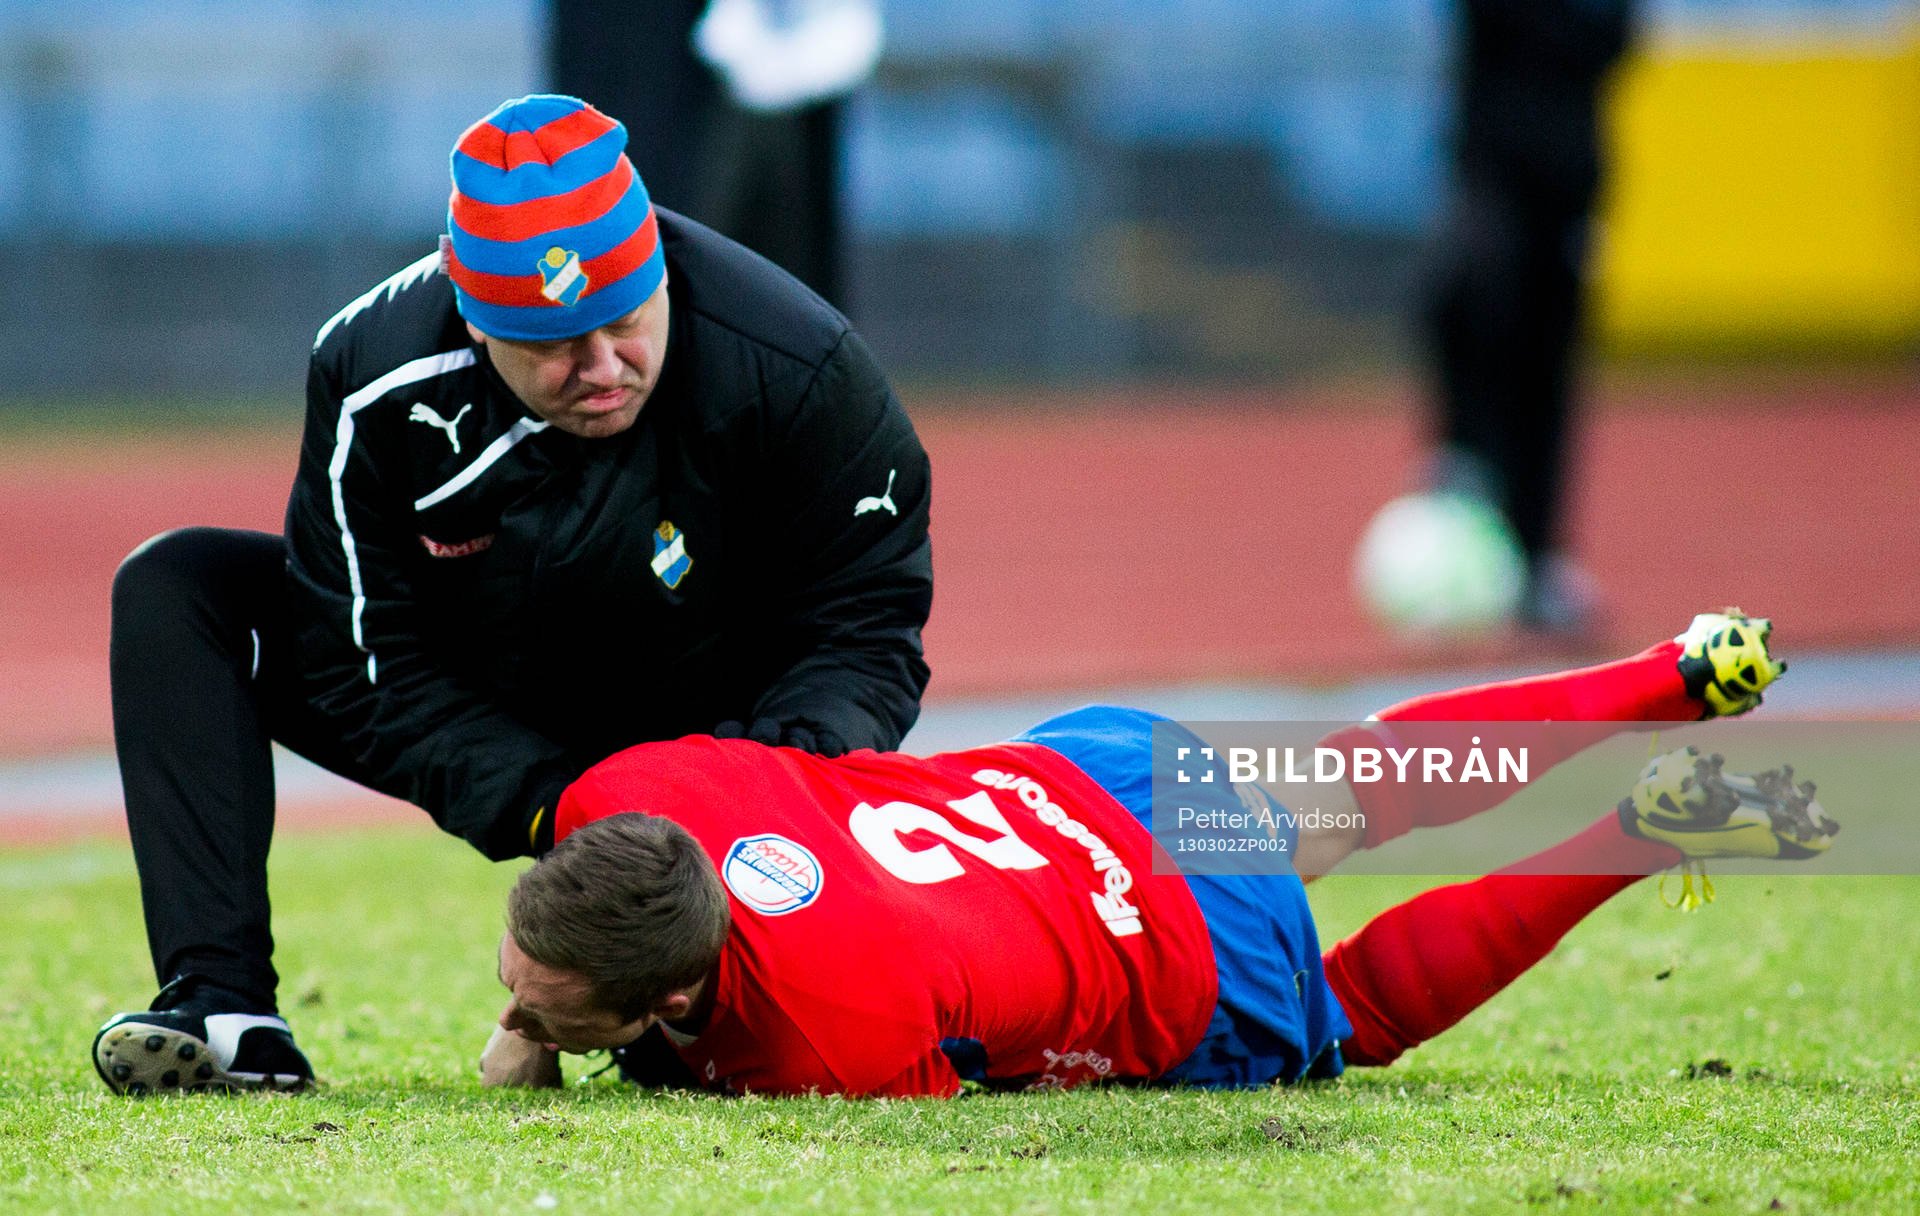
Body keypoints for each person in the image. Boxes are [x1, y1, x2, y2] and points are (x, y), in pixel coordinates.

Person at [91, 94, 933, 1096]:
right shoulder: (373, 375)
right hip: (486, 688)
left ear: (658, 265)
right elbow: (360, 660)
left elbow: (866, 633)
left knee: (703, 1052)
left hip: (712, 733)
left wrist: (701, 834)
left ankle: (676, 998)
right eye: (553, 343)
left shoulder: (800, 366)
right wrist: (559, 812)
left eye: (624, 320)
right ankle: (225, 1012)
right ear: (473, 317)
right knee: (177, 588)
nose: (602, 366)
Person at [458, 612, 1819, 1097]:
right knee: (1364, 788)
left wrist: (580, 1056)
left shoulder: (812, 1043)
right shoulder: (635, 785)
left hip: (1179, 945)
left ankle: (1648, 830)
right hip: (1088, 781)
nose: (517, 1001)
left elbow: (915, 1065)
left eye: (533, 992)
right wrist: (566, 1011)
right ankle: (1669, 673)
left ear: (673, 1002)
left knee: (1356, 1014)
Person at [1423, 0, 1638, 631]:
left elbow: (1615, 40)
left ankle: (1536, 557)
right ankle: (1458, 509)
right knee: (1467, 311)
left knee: (1550, 362)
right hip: (1487, 166)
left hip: (1568, 178)